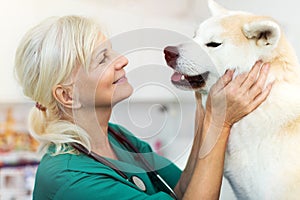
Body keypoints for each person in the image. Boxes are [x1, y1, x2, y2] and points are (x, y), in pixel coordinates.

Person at [14, 15, 272, 200]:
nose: (122, 60)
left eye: (112, 51)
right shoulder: (70, 180)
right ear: (67, 95)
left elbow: (181, 191)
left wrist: (204, 108)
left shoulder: (118, 139)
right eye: (103, 59)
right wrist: (220, 122)